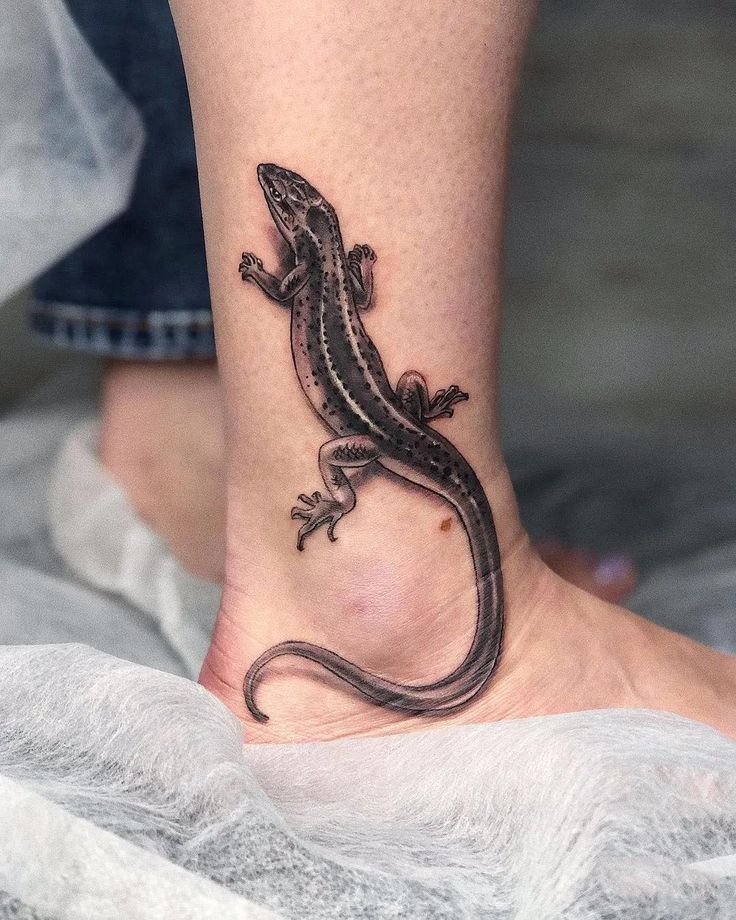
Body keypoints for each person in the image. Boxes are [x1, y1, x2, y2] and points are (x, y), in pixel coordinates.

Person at [39, 0, 735, 743]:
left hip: (372, 426)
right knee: (370, 459)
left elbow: (289, 288)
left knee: (359, 453)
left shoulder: (305, 275)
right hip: (382, 423)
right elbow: (348, 294)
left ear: (301, 229)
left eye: (285, 202)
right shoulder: (331, 272)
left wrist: (264, 276)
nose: (277, 196)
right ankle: (382, 604)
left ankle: (348, 568)